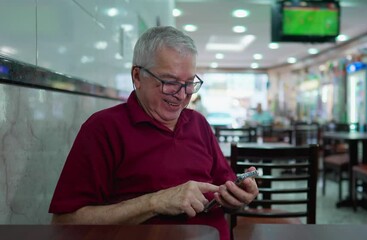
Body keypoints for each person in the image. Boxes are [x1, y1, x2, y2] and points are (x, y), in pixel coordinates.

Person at [48, 26, 258, 240]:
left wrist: (238, 196)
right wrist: (155, 202)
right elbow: (65, 223)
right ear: (137, 76)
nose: (182, 95)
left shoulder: (198, 123)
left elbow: (224, 189)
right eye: (170, 82)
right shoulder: (103, 128)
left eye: (189, 84)